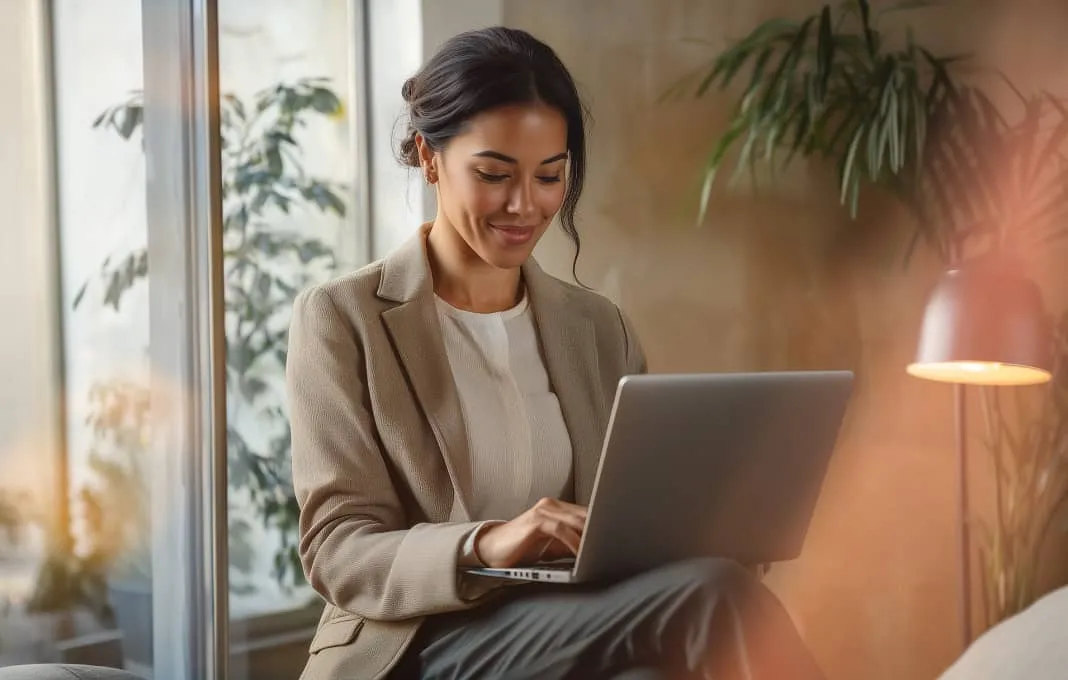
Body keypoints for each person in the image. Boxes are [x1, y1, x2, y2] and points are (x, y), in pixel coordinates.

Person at [286, 26, 825, 680]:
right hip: (418, 640)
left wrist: (713, 523)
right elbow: (339, 549)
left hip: (574, 624)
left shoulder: (598, 328)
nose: (525, 205)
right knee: (714, 594)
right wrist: (487, 543)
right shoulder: (344, 319)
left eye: (550, 176)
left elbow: (630, 517)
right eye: (494, 174)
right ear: (429, 158)